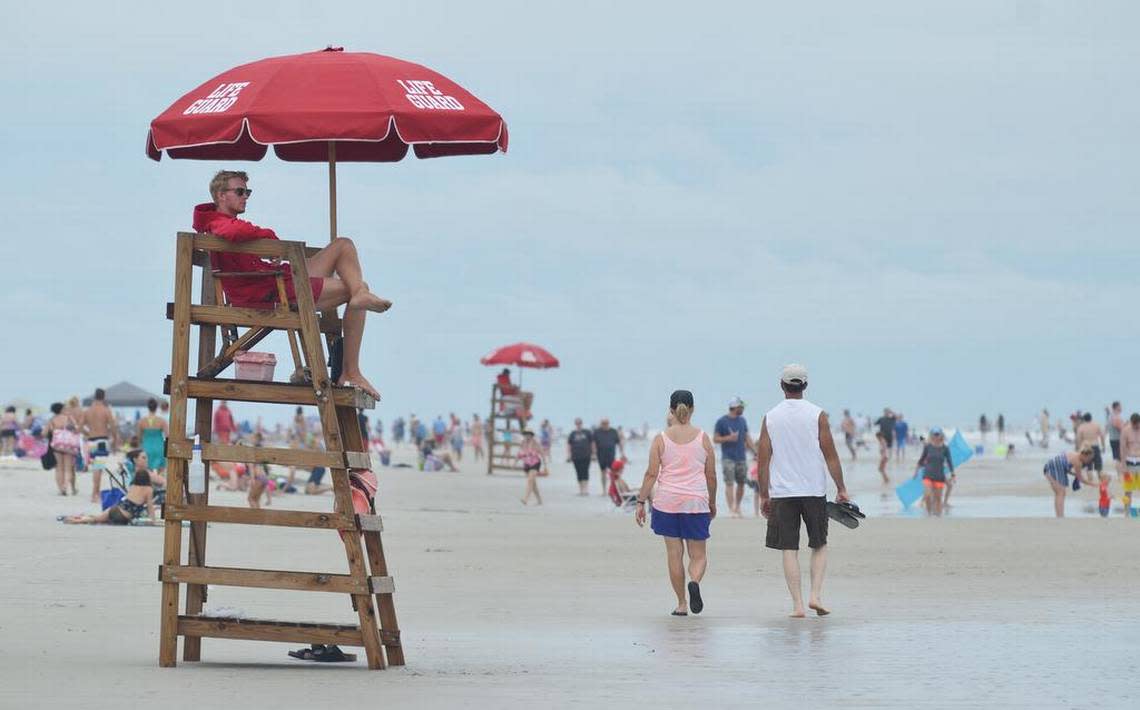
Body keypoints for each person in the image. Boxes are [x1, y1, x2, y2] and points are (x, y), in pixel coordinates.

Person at [192, 170, 391, 399]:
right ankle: (351, 370)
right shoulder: (216, 223)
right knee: (353, 288)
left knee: (343, 246)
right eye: (239, 191)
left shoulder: (219, 221)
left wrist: (266, 240)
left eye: (247, 191)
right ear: (221, 195)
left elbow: (238, 232)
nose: (245, 196)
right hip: (266, 291)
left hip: (273, 278)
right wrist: (265, 234)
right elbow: (232, 231)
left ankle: (359, 296)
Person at [756, 364, 849, 618]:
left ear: (782, 385)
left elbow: (763, 460)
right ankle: (815, 596)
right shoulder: (817, 414)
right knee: (819, 544)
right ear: (805, 386)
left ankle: (797, 606)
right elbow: (830, 455)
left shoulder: (771, 416)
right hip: (813, 489)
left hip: (783, 492)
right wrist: (841, 488)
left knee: (789, 548)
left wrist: (764, 494)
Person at [634, 390, 716, 616]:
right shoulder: (703, 438)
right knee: (698, 555)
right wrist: (712, 502)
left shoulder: (660, 438)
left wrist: (641, 501)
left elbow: (651, 474)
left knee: (674, 554)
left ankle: (681, 604)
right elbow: (711, 475)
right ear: (692, 409)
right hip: (696, 502)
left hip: (667, 502)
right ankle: (695, 582)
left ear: (671, 409)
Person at [63, 451, 156, 525]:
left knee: (96, 518)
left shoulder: (133, 486)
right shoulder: (148, 490)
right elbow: (150, 506)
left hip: (116, 508)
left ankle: (76, 519)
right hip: (123, 515)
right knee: (98, 520)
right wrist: (153, 520)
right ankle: (78, 520)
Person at [713, 397, 756, 518]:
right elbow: (715, 439)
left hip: (741, 457)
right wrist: (728, 438)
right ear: (735, 407)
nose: (743, 409)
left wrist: (755, 452)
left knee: (741, 483)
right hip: (728, 457)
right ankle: (731, 509)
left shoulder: (742, 421)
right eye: (741, 407)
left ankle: (737, 507)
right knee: (729, 483)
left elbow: (747, 438)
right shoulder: (721, 421)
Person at [81, 388, 119, 502]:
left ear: (94, 396)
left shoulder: (87, 411)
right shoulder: (106, 410)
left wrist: (87, 433)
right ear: (104, 397)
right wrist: (115, 439)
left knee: (95, 468)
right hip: (102, 440)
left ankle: (95, 493)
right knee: (99, 468)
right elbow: (112, 427)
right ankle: (95, 493)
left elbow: (79, 427)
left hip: (91, 440)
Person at [1042, 446, 1097, 518]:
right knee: (1060, 493)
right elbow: (1081, 479)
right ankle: (1060, 516)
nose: (1089, 461)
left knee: (1060, 493)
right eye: (1089, 458)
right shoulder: (1078, 462)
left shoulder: (1074, 454)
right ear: (1084, 455)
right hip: (1054, 467)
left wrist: (1074, 474)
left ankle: (1059, 515)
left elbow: (1066, 465)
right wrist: (1094, 484)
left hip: (1050, 465)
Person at [915, 427, 954, 516]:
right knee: (930, 492)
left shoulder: (944, 446)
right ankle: (926, 504)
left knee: (947, 487)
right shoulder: (928, 444)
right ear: (931, 435)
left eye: (938, 434)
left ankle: (943, 503)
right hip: (928, 471)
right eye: (934, 434)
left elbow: (948, 459)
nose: (936, 436)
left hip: (939, 472)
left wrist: (952, 473)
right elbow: (921, 439)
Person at [45, 402, 82, 495]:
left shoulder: (51, 420)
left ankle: (61, 489)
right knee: (68, 469)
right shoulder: (68, 418)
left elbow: (45, 433)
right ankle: (65, 486)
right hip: (68, 445)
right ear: (61, 409)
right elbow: (76, 428)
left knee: (59, 468)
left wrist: (54, 431)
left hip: (57, 445)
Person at [593, 418, 627, 497]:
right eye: (603, 423)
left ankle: (614, 489)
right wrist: (594, 454)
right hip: (601, 455)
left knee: (614, 473)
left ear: (608, 423)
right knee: (603, 472)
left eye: (606, 423)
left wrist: (622, 453)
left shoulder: (613, 431)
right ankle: (604, 490)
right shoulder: (597, 432)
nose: (604, 425)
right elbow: (593, 443)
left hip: (611, 455)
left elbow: (619, 443)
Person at [137, 398, 168, 475]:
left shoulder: (142, 421)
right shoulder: (161, 420)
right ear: (156, 407)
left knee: (147, 469)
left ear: (148, 407)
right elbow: (167, 435)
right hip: (159, 446)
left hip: (146, 447)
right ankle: (157, 484)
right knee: (160, 470)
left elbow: (139, 437)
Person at [517, 430, 547, 506]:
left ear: (531, 435)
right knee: (533, 484)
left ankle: (525, 499)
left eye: (529, 434)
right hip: (526, 464)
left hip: (535, 463)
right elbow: (519, 453)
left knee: (530, 480)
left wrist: (545, 465)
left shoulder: (536, 443)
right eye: (526, 434)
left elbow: (542, 453)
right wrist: (515, 462)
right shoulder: (523, 443)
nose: (527, 436)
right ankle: (539, 500)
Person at [1119, 413, 1140, 517]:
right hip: (1130, 463)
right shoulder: (1126, 430)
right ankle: (1126, 512)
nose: (1136, 427)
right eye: (1134, 425)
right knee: (1128, 490)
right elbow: (1122, 448)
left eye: (1138, 425)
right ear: (1131, 422)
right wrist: (1123, 466)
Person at [566, 418, 594, 496]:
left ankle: (585, 489)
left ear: (582, 423)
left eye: (579, 423)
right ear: (575, 424)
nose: (578, 424)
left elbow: (592, 443)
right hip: (576, 456)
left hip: (586, 455)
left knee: (585, 471)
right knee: (578, 472)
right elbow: (569, 444)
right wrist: (569, 455)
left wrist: (594, 454)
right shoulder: (572, 433)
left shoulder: (587, 432)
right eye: (577, 423)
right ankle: (581, 489)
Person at [1075, 412, 1106, 482]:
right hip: (1095, 446)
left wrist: (1079, 449)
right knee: (1099, 467)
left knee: (1089, 467)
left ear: (1084, 419)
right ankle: (1101, 482)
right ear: (1091, 418)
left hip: (1086, 447)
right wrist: (1103, 446)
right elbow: (1102, 436)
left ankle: (1090, 481)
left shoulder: (1081, 427)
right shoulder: (1096, 425)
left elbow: (1078, 439)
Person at [247, 432, 273, 509]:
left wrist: (252, 480)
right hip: (264, 477)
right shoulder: (261, 451)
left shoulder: (253, 451)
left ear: (256, 439)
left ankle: (255, 518)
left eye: (252, 438)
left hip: (258, 477)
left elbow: (251, 467)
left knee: (251, 498)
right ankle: (258, 518)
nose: (250, 439)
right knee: (256, 499)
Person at [874, 408, 895, 483]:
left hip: (885, 456)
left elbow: (884, 449)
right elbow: (875, 423)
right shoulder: (881, 419)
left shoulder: (891, 419)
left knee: (881, 469)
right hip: (885, 455)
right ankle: (886, 479)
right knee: (881, 469)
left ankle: (887, 480)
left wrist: (884, 457)